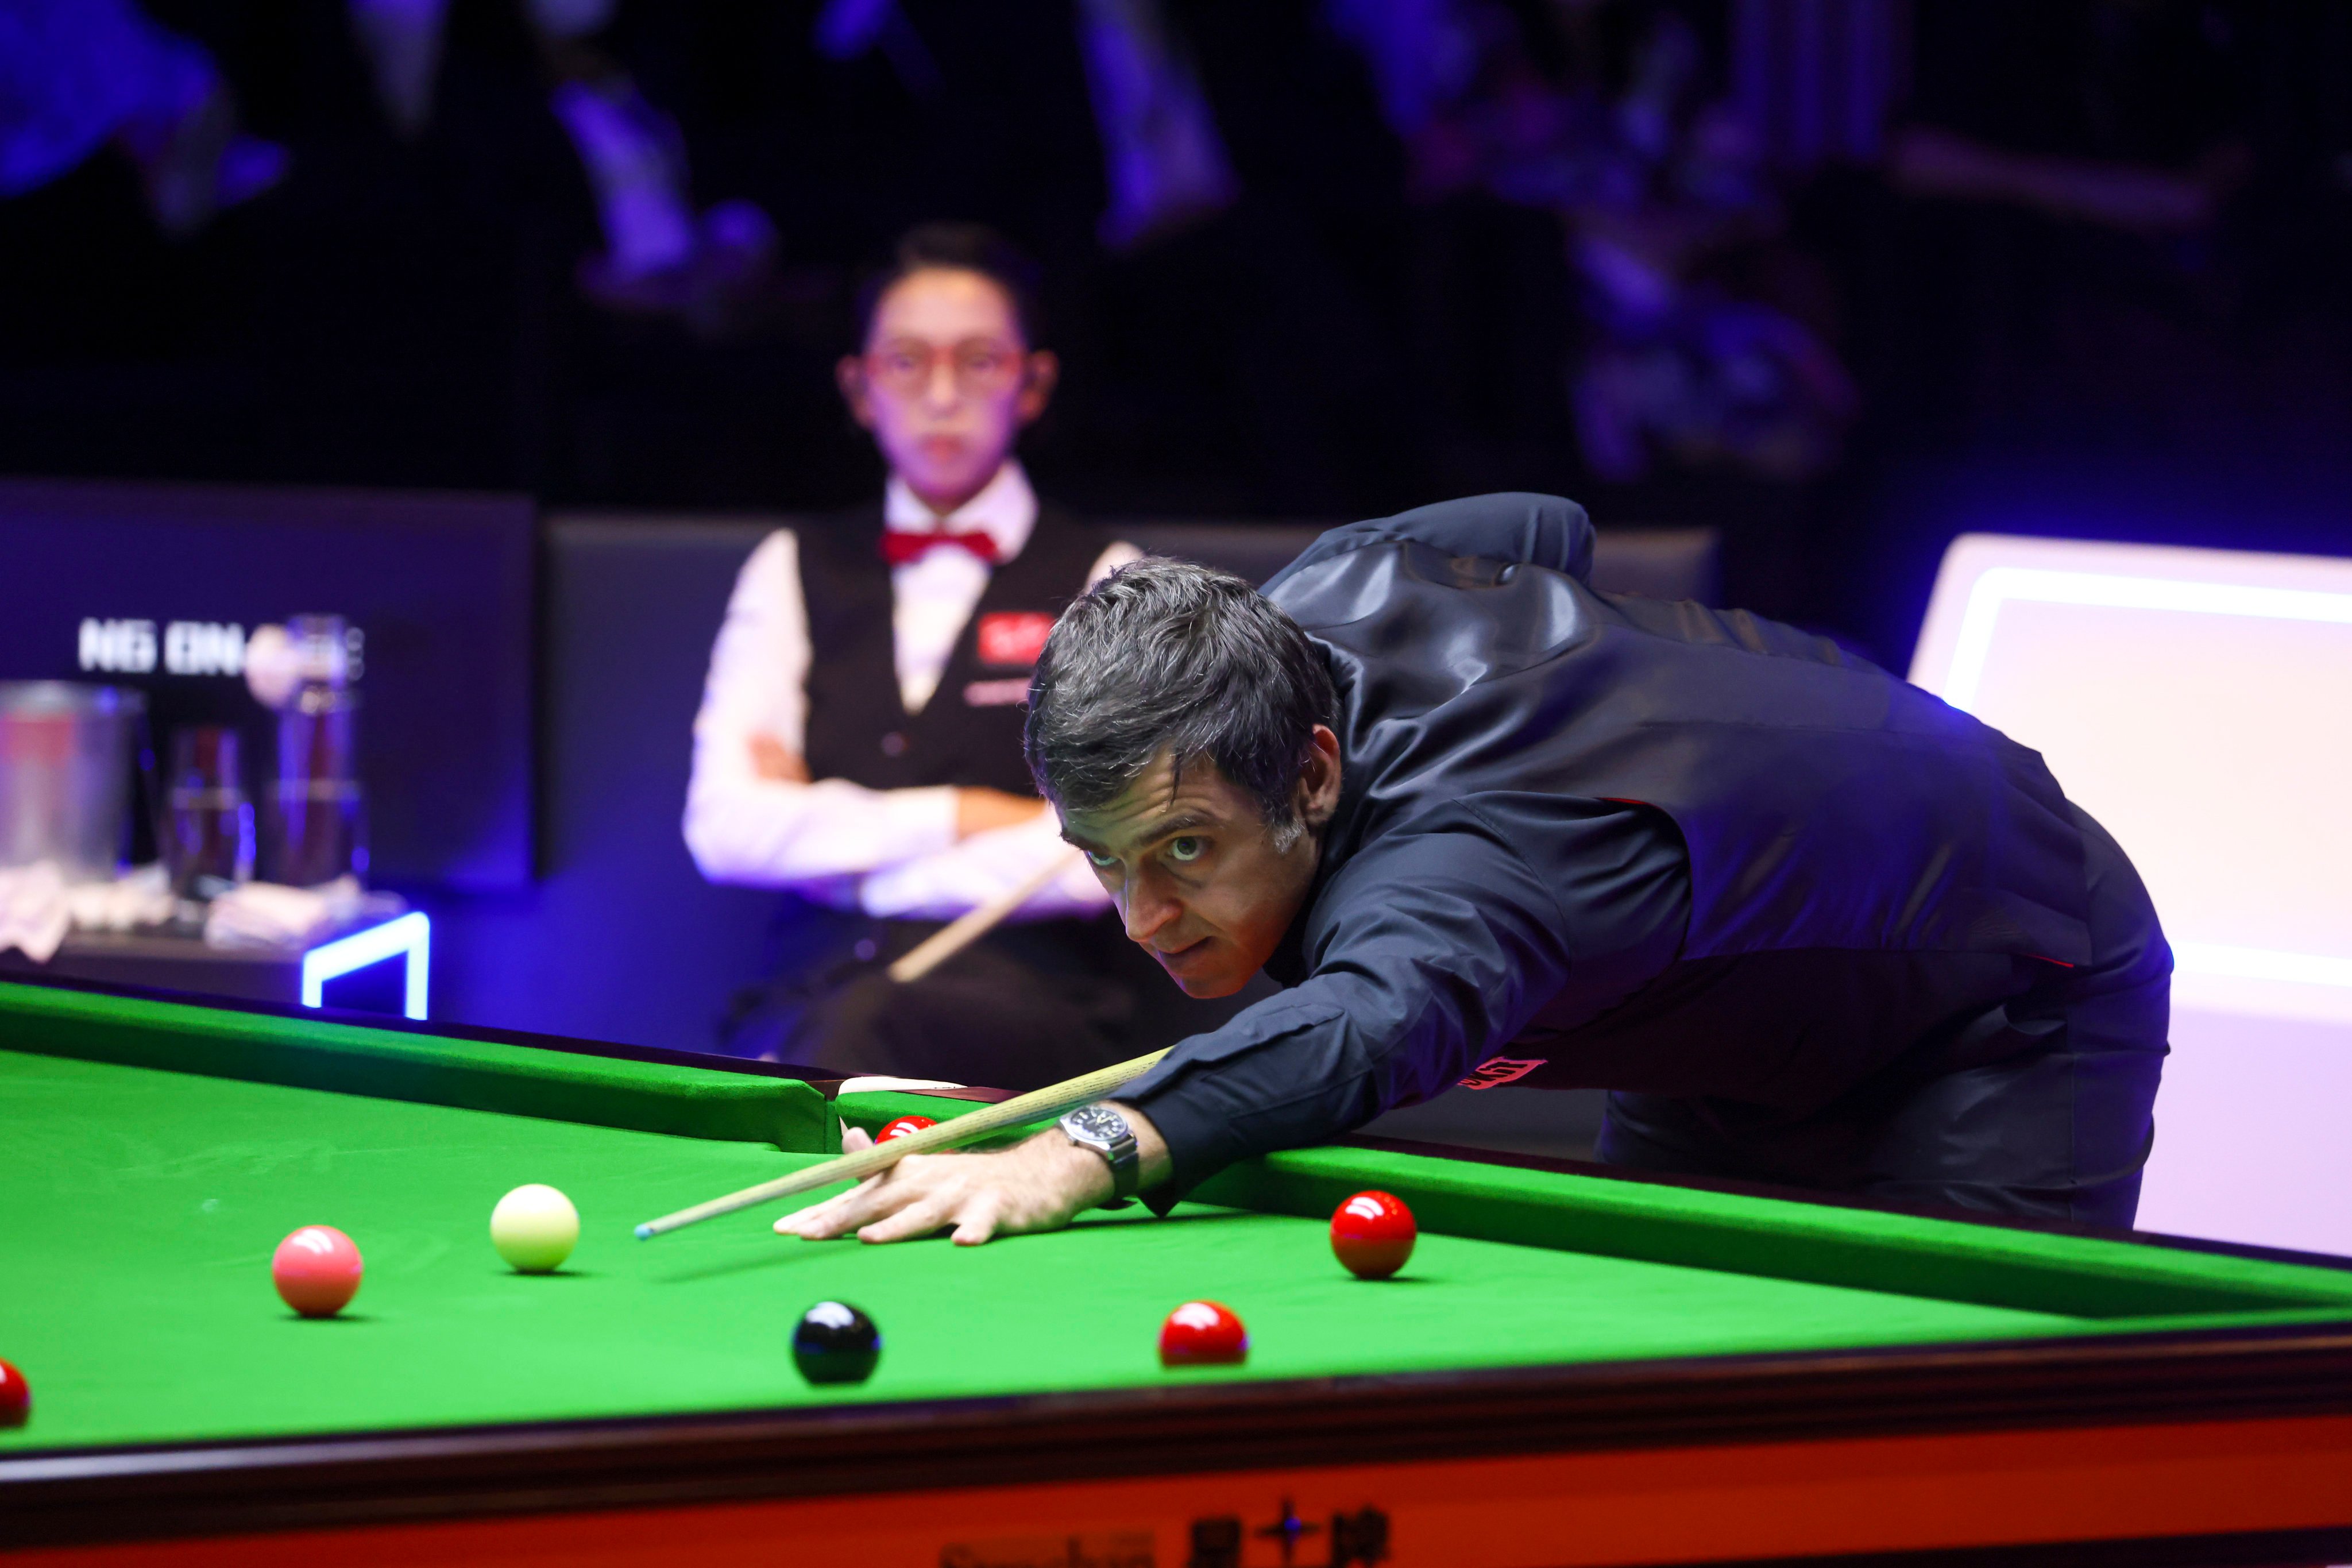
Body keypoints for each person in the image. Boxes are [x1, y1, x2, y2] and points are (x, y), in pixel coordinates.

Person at [774, 491, 2170, 1248]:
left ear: (1312, 774)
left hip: (2001, 986)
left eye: (1185, 852)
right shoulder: (1307, 609)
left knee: (1924, 1472)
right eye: (1105, 862)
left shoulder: (1477, 870)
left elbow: (1374, 1024)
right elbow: (1536, 523)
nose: (1144, 920)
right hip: (1725, 1007)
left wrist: (1079, 1152)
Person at [688, 222, 1183, 1088]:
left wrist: (840, 853)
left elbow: (1113, 851)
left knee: (861, 1033)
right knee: (826, 1033)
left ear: (1033, 385)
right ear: (859, 387)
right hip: (809, 987)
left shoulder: (1109, 579)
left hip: (1031, 1004)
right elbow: (724, 829)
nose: (943, 393)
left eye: (980, 359)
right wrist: (969, 812)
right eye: (908, 361)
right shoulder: (789, 567)